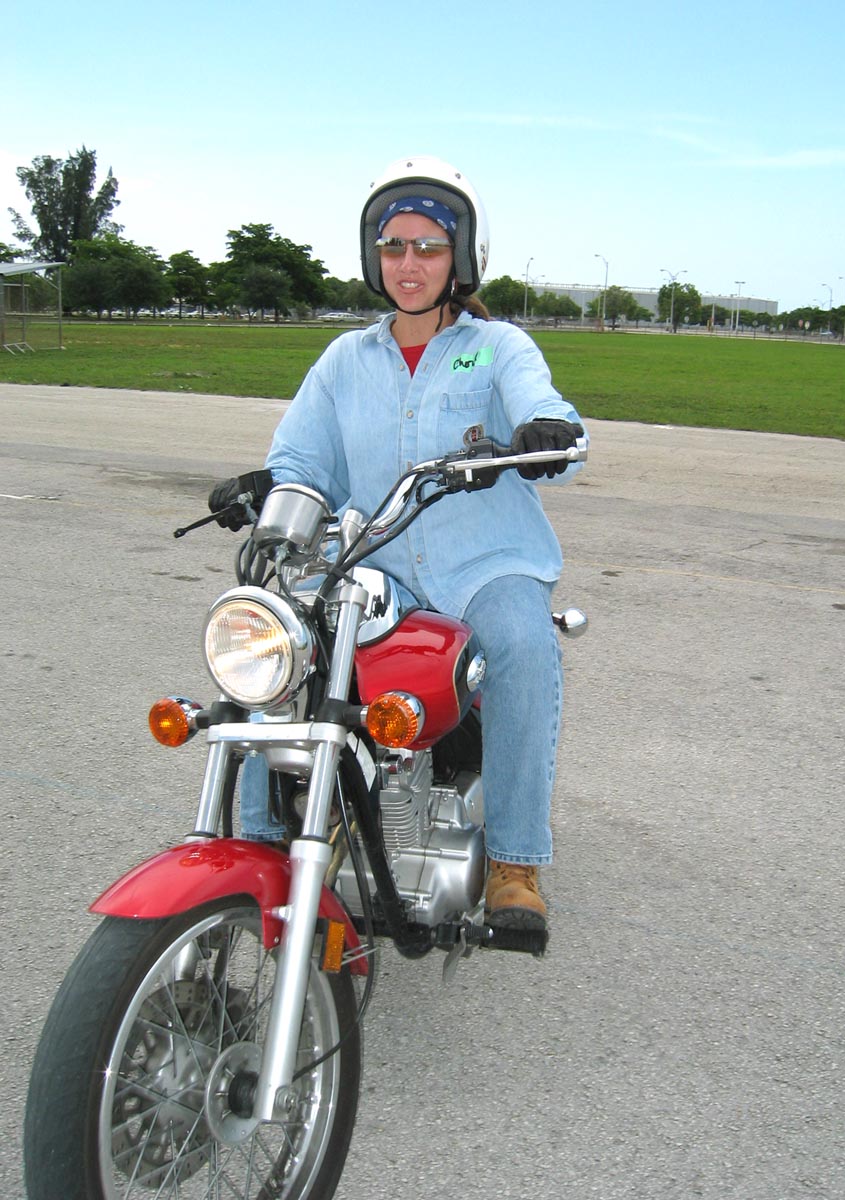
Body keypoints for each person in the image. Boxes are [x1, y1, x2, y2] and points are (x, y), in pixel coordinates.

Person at [209, 156, 586, 932]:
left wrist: (546, 432)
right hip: (376, 564)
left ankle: (514, 861)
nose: (409, 264)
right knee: (275, 644)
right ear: (373, 256)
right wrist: (266, 484)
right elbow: (304, 462)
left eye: (428, 247)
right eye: (394, 246)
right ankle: (258, 842)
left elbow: (542, 407)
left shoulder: (498, 347)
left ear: (461, 257)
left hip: (487, 562)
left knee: (524, 646)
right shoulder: (345, 360)